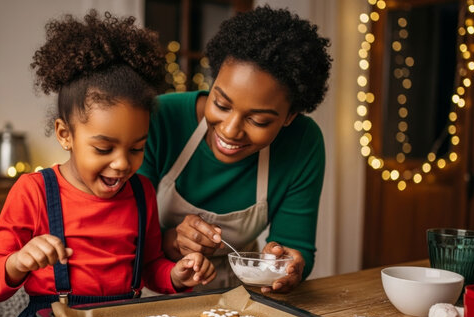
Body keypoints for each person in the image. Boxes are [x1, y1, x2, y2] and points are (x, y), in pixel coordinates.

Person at [0, 10, 216, 317]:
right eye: (103, 148)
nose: (122, 163)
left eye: (136, 148)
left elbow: (150, 266)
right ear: (65, 135)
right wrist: (17, 263)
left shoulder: (141, 192)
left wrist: (177, 275)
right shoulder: (33, 192)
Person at [138, 6, 331, 293]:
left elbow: (296, 247)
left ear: (290, 116)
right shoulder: (160, 119)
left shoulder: (303, 142)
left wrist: (287, 265)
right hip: (155, 291)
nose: (229, 130)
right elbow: (125, 237)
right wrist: (172, 241)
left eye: (258, 120)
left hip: (241, 294)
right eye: (221, 104)